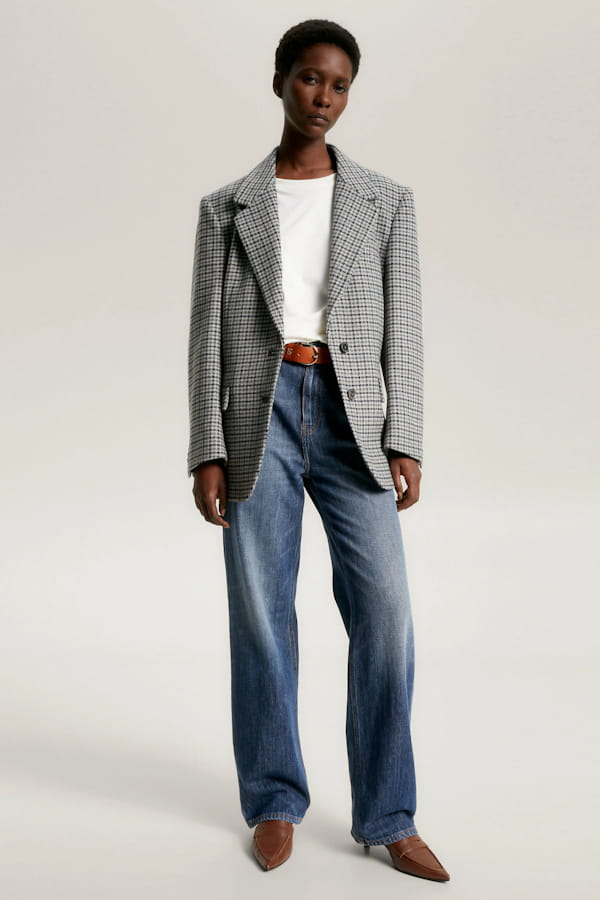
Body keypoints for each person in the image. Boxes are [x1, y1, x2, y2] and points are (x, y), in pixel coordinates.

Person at [187, 18, 449, 882]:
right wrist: (207, 448)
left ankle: (389, 815)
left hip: (353, 418)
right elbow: (206, 337)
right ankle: (272, 801)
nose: (323, 98)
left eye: (338, 85)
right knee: (261, 616)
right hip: (259, 418)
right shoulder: (226, 207)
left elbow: (405, 327)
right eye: (309, 79)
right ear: (280, 81)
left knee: (386, 617)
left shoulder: (386, 200)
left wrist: (406, 437)